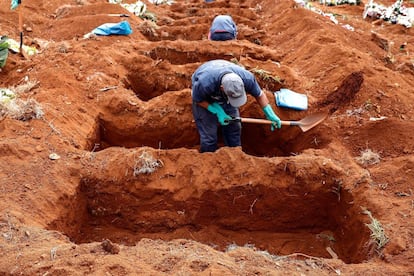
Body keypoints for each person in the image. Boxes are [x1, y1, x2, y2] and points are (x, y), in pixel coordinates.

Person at [191, 59, 282, 153]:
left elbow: (259, 95)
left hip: (222, 85)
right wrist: (217, 111)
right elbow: (198, 100)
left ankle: (235, 154)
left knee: (234, 128)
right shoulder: (204, 83)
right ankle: (208, 157)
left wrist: (270, 113)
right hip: (205, 98)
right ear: (222, 88)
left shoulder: (247, 78)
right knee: (209, 136)